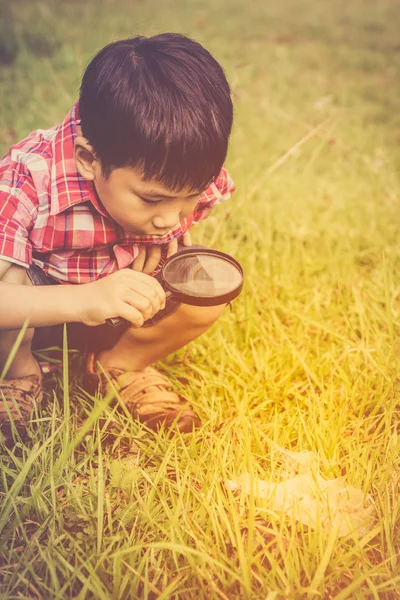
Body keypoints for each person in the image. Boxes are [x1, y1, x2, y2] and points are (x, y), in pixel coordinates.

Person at [0, 33, 235, 440]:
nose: (170, 219)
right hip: (34, 317)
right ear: (89, 160)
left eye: (188, 199)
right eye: (152, 200)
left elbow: (175, 216)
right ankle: (17, 376)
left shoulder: (174, 174)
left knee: (208, 281)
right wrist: (85, 299)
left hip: (122, 308)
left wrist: (167, 246)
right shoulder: (27, 179)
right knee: (9, 279)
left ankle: (120, 363)